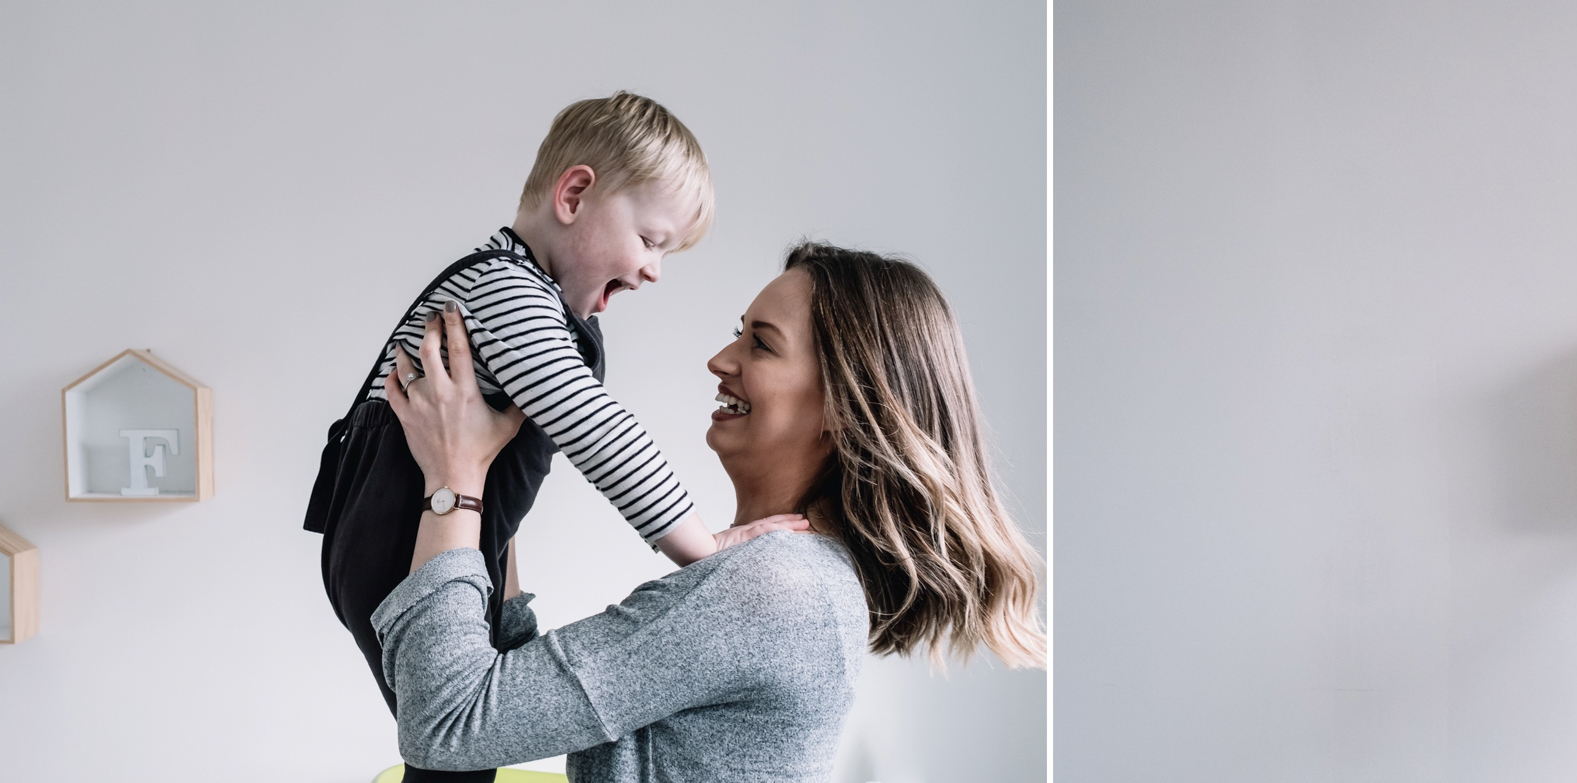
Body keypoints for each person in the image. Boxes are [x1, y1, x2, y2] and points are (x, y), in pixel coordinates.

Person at [371, 242, 1048, 781]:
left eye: (761, 343)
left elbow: (448, 721)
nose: (720, 359)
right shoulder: (795, 577)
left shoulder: (774, 589)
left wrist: (453, 481)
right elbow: (514, 706)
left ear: (844, 404)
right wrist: (485, 479)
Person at [305, 92, 767, 782]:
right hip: (392, 537)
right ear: (575, 193)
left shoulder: (534, 299)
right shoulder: (509, 292)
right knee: (455, 741)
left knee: (469, 739)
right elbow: (598, 429)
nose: (653, 271)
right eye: (649, 240)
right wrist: (704, 547)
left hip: (444, 540)